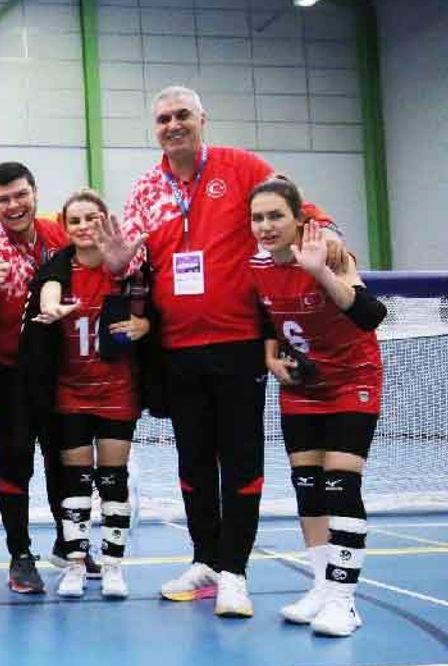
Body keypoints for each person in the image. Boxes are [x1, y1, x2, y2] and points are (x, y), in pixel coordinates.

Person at [99, 85, 344, 617]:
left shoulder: (241, 167)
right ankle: (205, 559)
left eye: (182, 115)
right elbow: (129, 266)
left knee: (240, 460)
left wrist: (325, 232)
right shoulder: (146, 190)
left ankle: (235, 571)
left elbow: (297, 206)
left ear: (202, 119)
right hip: (176, 348)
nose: (173, 125)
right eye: (163, 119)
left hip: (239, 343)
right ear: (154, 129)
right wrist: (117, 263)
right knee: (191, 462)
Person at [249, 177, 385, 636]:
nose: (266, 226)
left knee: (340, 485)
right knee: (307, 487)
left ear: (299, 219)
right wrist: (271, 357)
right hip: (303, 387)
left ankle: (345, 600)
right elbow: (268, 318)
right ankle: (323, 587)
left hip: (351, 381)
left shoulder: (329, 252)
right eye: (258, 218)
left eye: (276, 216)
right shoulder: (257, 266)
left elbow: (370, 314)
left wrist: (321, 272)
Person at [0, 161, 82, 594]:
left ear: (35, 193)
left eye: (20, 195)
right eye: (3, 199)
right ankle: (20, 554)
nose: (14, 205)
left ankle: (69, 545)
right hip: (8, 374)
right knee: (15, 462)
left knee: (62, 461)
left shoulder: (57, 236)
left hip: (57, 371)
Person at [29, 190, 151, 600]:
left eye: (92, 218)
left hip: (117, 391)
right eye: (75, 220)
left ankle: (113, 566)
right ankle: (76, 564)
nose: (84, 227)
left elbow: (150, 312)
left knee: (113, 480)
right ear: (64, 227)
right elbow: (47, 294)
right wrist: (52, 309)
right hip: (72, 392)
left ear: (106, 221)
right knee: (76, 482)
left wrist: (145, 326)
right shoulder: (58, 271)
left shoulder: (126, 270)